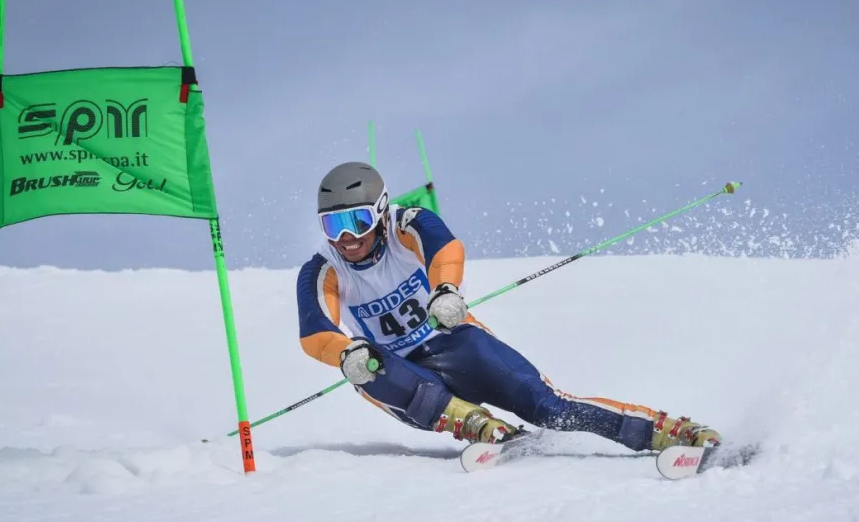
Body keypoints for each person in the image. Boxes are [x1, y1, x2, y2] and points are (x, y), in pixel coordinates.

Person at [296, 161, 722, 451]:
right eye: (333, 225)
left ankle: (667, 432)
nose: (346, 237)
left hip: (454, 343)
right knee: (363, 363)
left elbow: (444, 246)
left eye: (358, 221)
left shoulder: (407, 224)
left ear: (381, 211)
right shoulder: (324, 267)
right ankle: (470, 422)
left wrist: (445, 289)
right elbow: (317, 331)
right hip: (400, 375)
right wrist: (345, 353)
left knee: (550, 407)